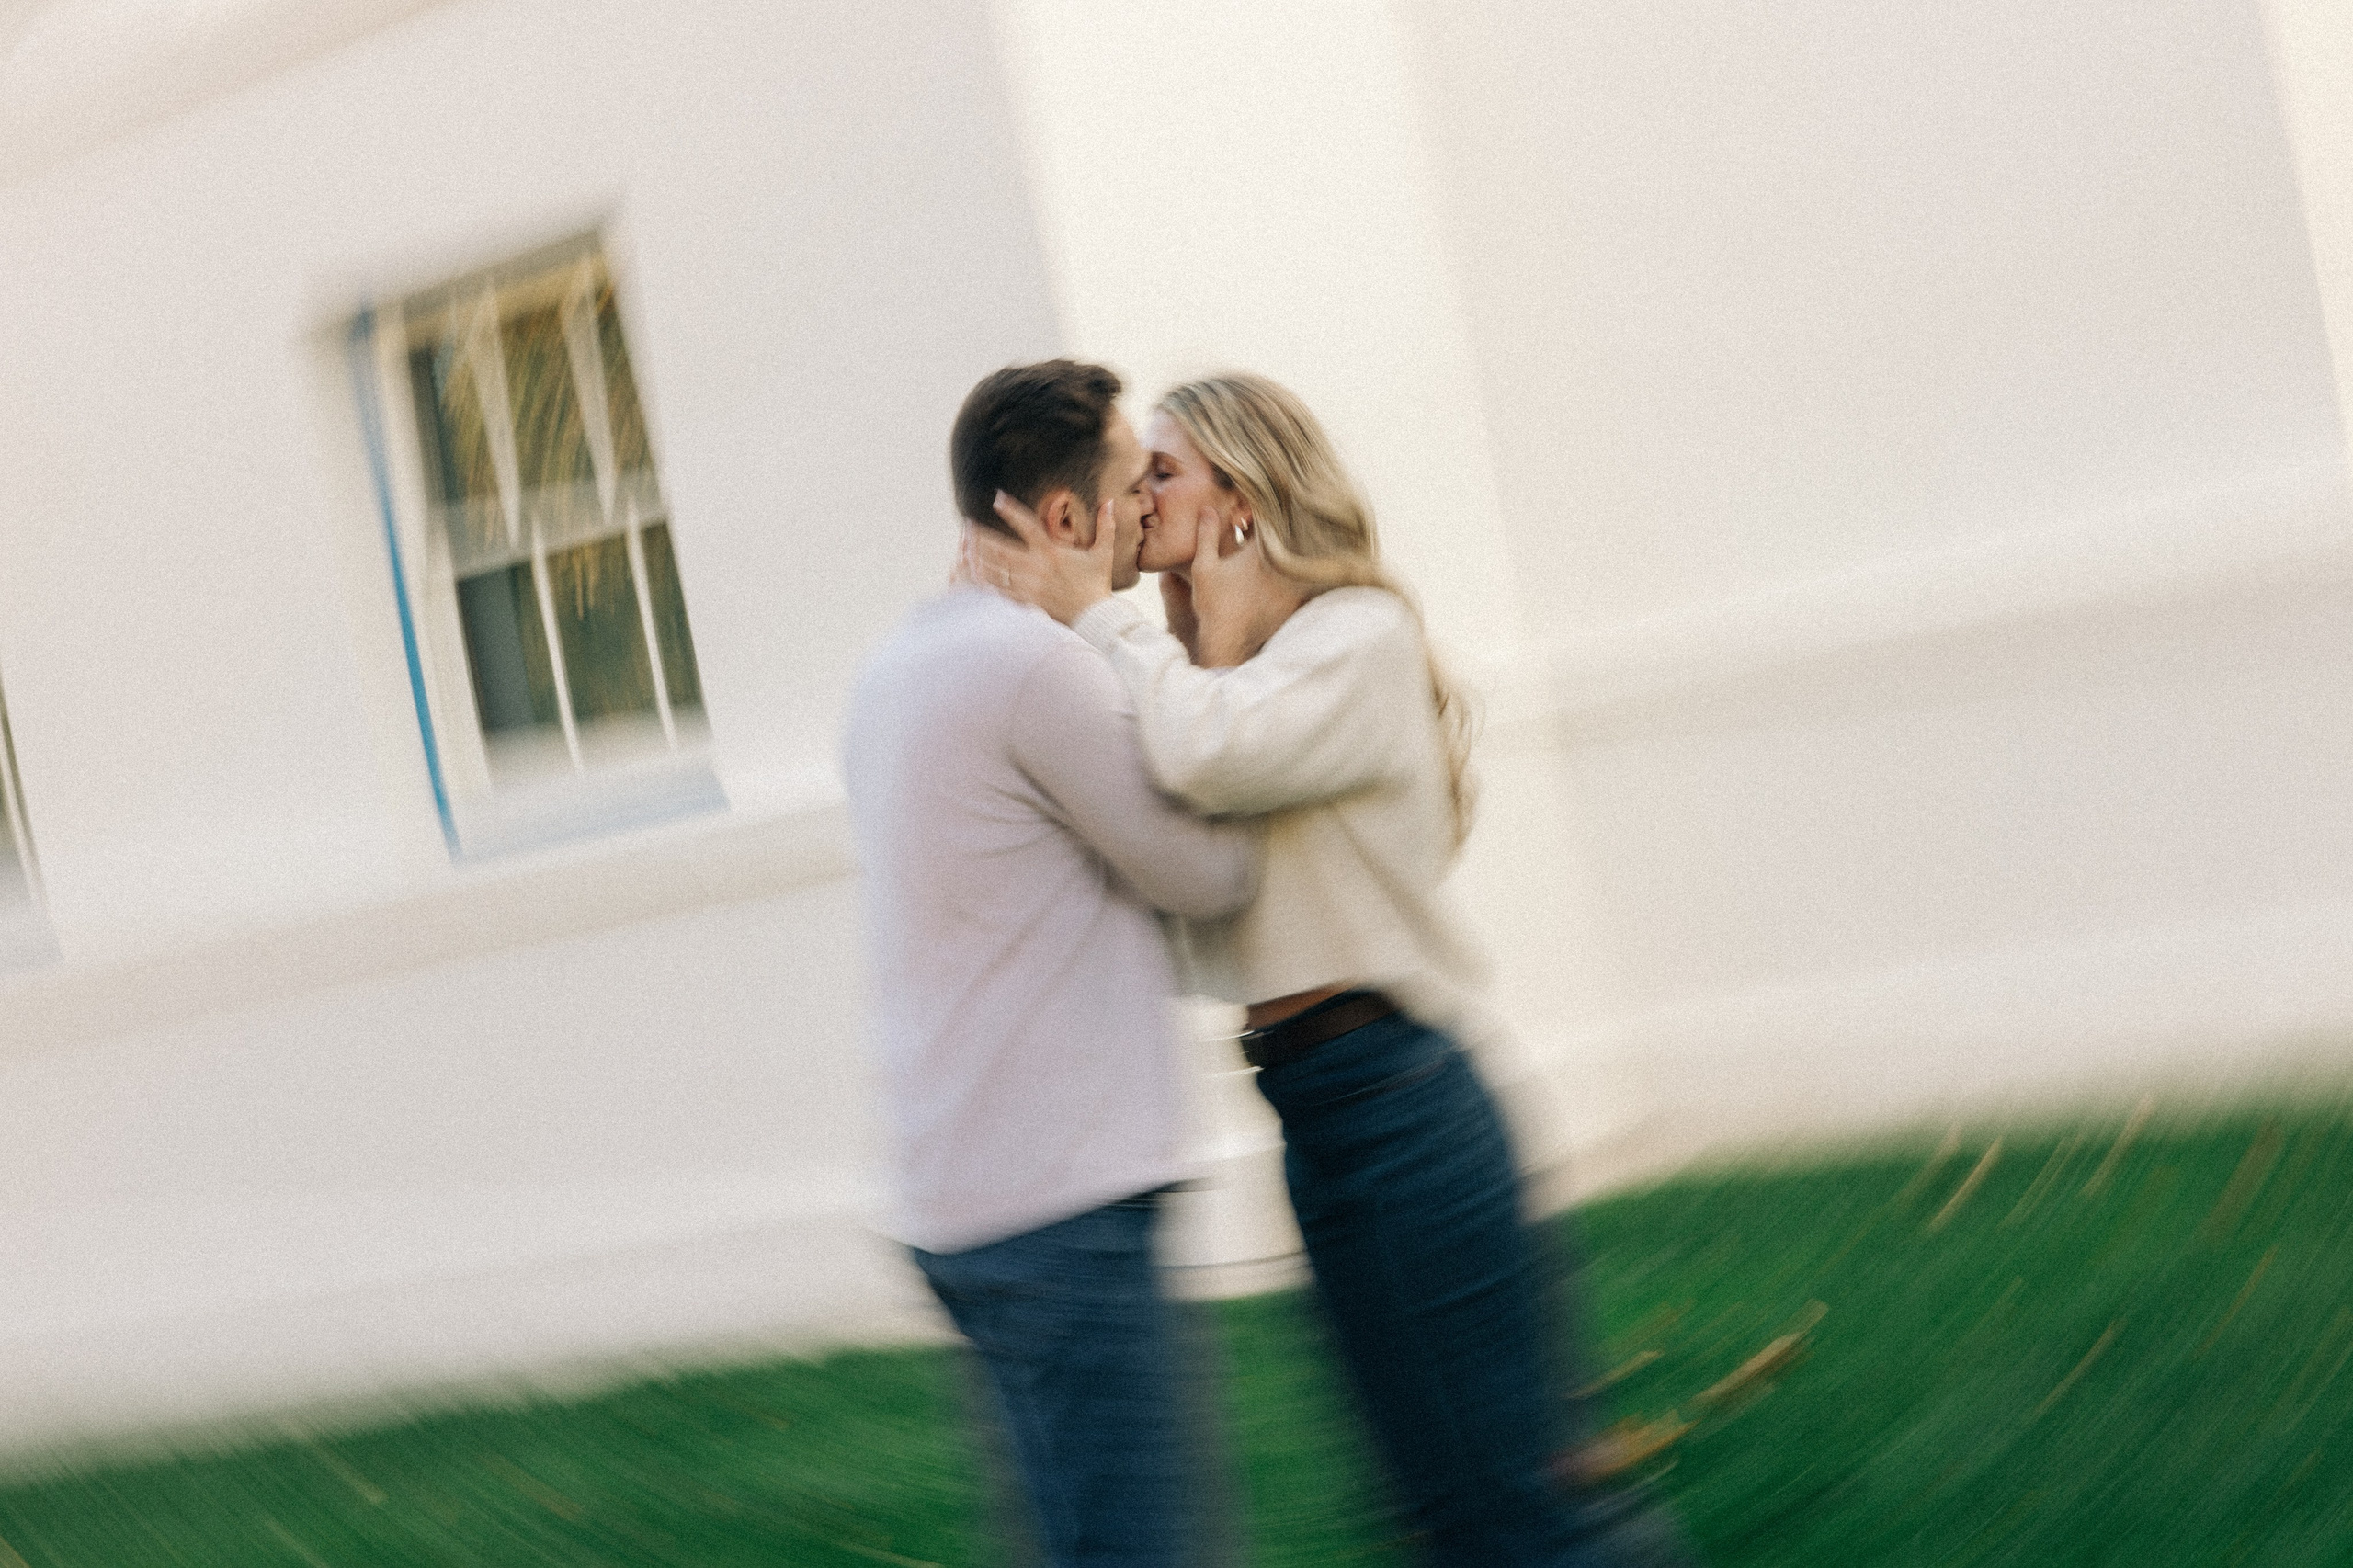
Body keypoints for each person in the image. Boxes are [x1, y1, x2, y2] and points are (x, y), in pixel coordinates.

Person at [970, 372, 1693, 1566]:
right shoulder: (1215, 676)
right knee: (1436, 1511)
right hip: (1316, 1120)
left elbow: (1209, 749)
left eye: (1161, 470)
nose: (1132, 495)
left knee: (1520, 1510)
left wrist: (1105, 620)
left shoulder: (1357, 636)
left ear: (1241, 496)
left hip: (1405, 1108)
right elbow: (1177, 854)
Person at [842, 359, 1260, 1567]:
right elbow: (1211, 875)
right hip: (1060, 1205)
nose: (1150, 511)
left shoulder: (899, 666)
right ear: (1065, 517)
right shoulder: (1035, 667)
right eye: (1136, 486)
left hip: (966, 1202)